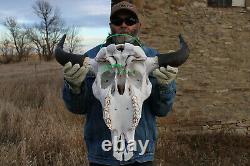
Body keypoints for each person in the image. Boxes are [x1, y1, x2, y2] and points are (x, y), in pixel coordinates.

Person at [62, 1, 178, 166]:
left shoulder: (153, 58)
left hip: (141, 156)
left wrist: (165, 87)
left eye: (130, 21)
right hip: (101, 156)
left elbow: (163, 110)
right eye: (118, 21)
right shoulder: (91, 57)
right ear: (111, 25)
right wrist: (74, 87)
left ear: (138, 25)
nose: (124, 25)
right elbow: (78, 108)